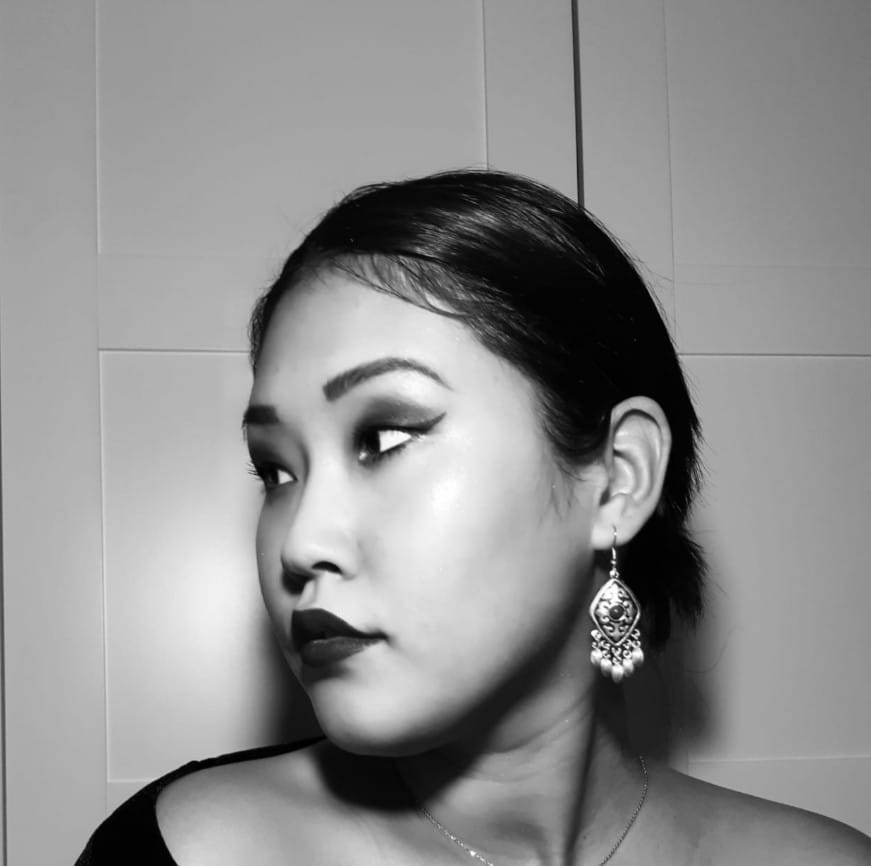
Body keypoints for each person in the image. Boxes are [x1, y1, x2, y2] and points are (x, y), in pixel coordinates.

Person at [77, 171, 870, 865]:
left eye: (383, 438)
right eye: (276, 470)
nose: (301, 542)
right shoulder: (187, 852)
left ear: (618, 479)